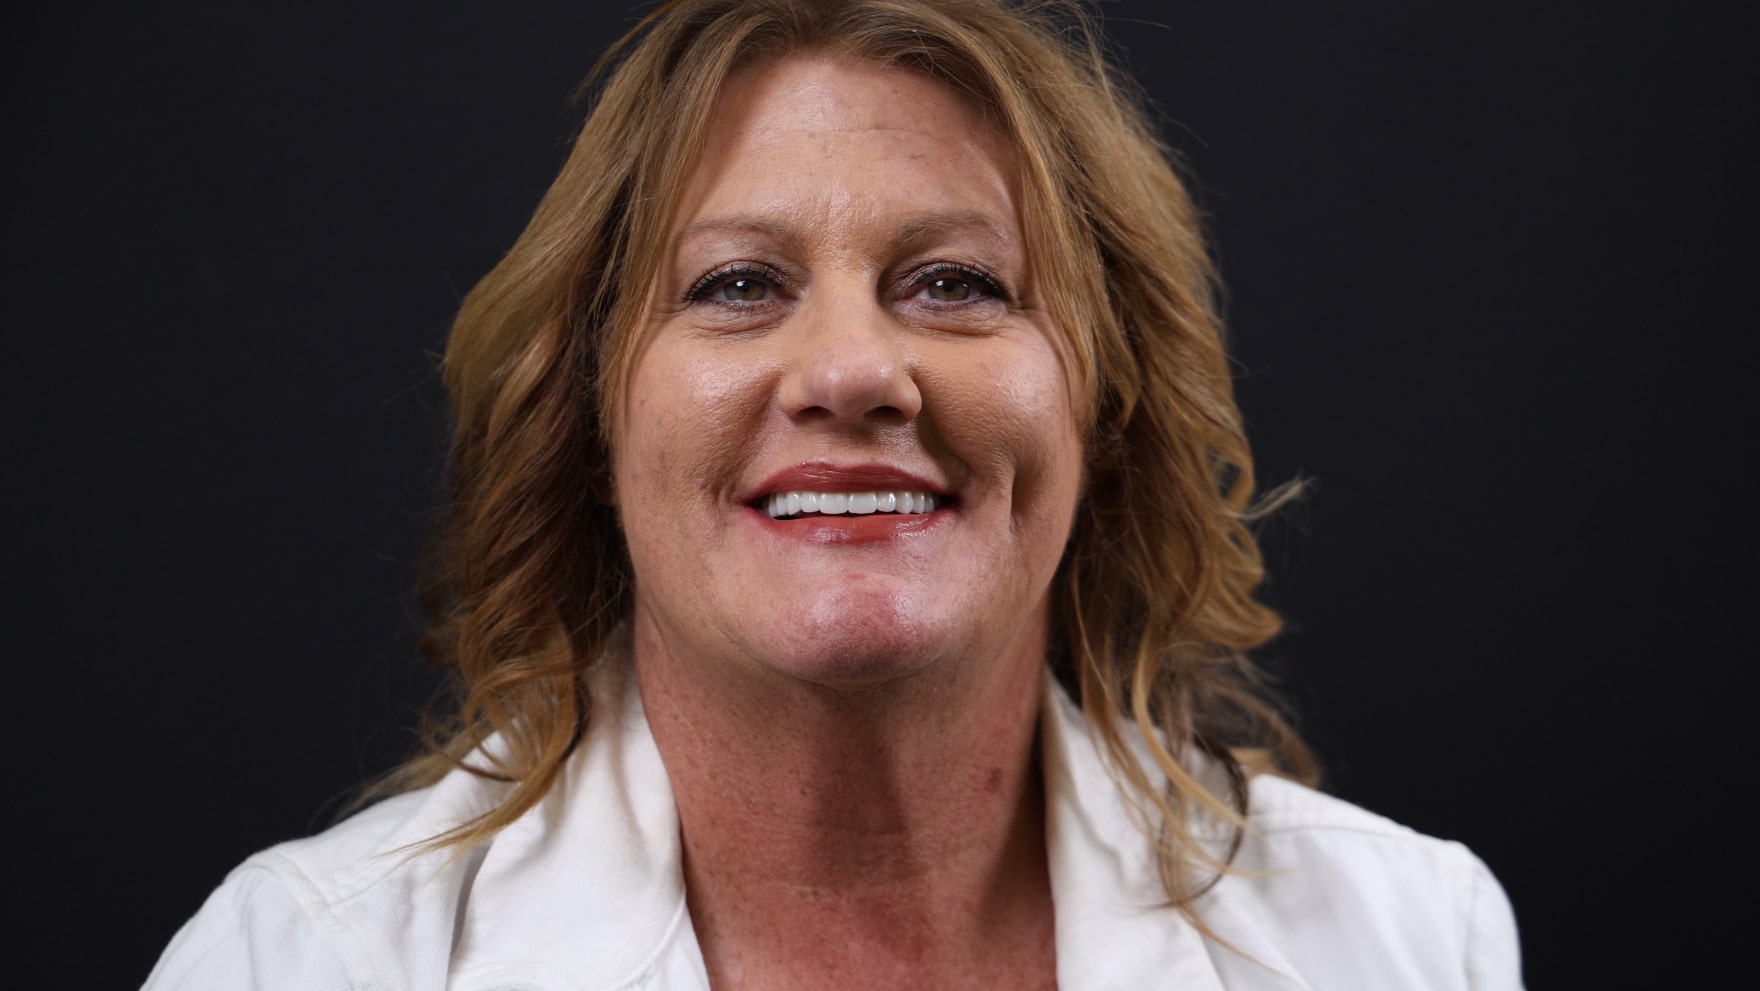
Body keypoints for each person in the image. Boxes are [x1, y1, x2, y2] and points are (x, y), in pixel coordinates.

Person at [147, 1, 1522, 988]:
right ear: (588, 423)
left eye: (957, 284)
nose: (857, 368)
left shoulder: (1404, 942)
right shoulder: (301, 963)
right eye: (738, 286)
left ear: (1106, 413)